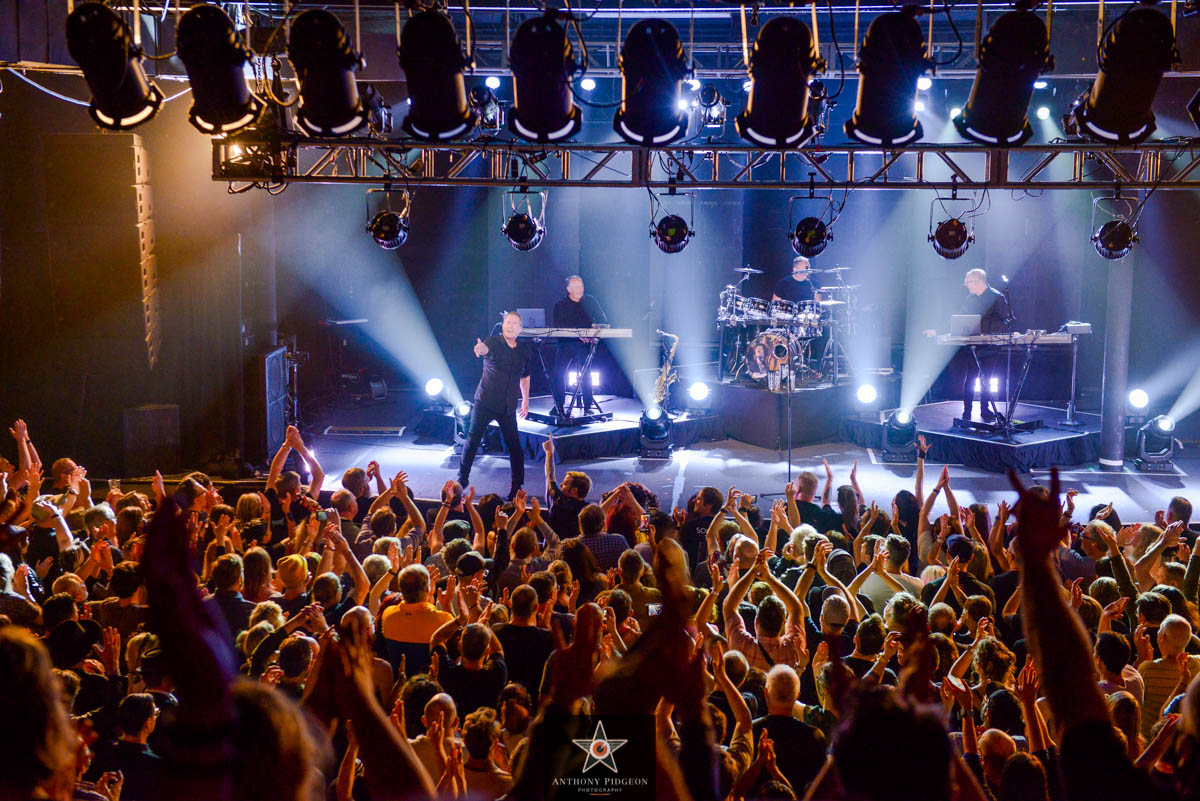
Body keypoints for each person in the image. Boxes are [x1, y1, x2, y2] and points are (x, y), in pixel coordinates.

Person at [459, 311, 532, 500]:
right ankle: (462, 479)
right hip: (485, 402)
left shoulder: (524, 351)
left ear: (520, 328)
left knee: (515, 448)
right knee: (473, 441)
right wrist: (479, 348)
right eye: (508, 322)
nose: (510, 325)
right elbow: (483, 349)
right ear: (503, 325)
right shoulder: (492, 342)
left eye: (514, 323)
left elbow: (525, 376)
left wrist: (525, 400)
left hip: (507, 407)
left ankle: (517, 487)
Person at [550, 275, 607, 417]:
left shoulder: (590, 301)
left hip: (584, 344)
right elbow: (560, 326)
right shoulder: (560, 305)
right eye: (576, 287)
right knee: (558, 373)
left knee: (586, 373)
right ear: (568, 289)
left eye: (581, 286)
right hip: (566, 343)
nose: (580, 290)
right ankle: (559, 406)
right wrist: (577, 334)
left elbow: (602, 320)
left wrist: (594, 334)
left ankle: (588, 405)